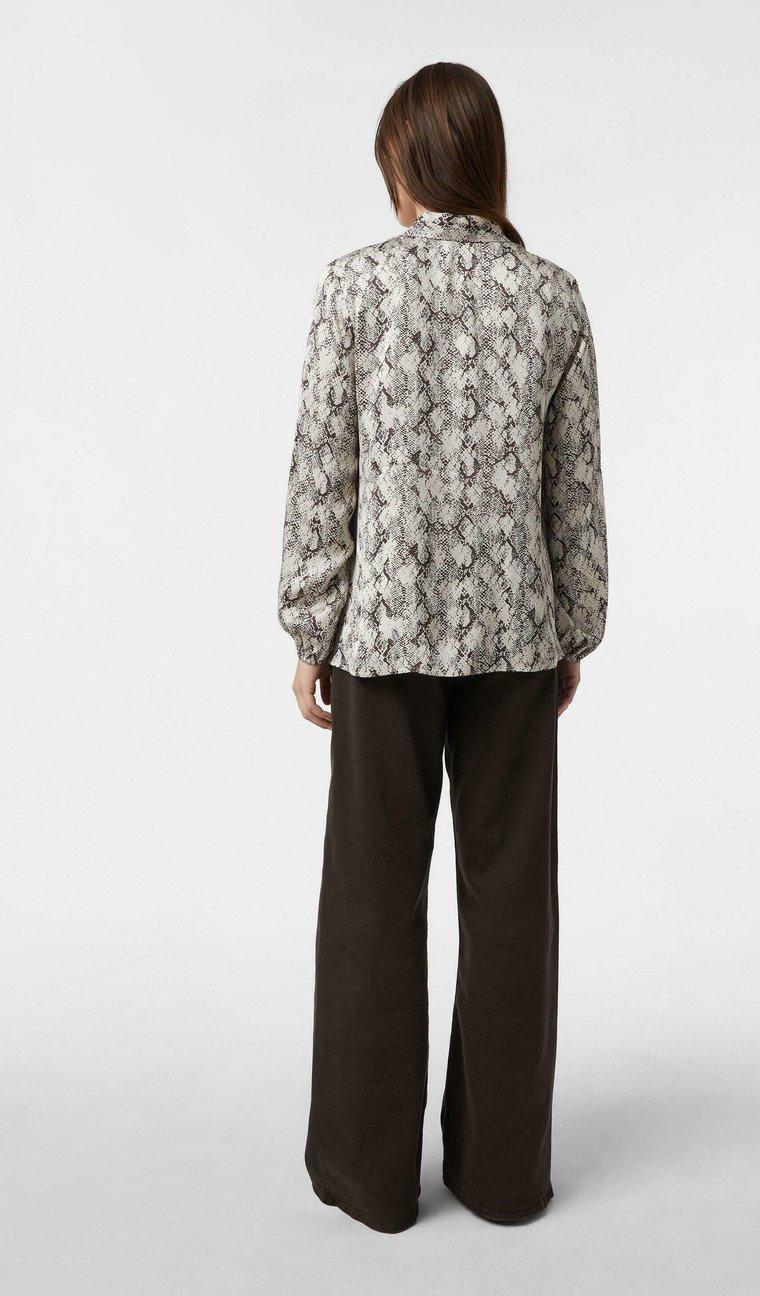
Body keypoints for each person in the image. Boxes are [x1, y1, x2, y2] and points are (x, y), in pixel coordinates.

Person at [278, 61, 607, 1233]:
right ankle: (505, 1179)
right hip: (516, 640)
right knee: (514, 906)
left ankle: (368, 1179)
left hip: (382, 638)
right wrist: (574, 629)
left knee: (372, 903)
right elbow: (575, 490)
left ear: (406, 165)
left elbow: (325, 469)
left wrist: (311, 624)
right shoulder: (552, 296)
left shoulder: (356, 287)